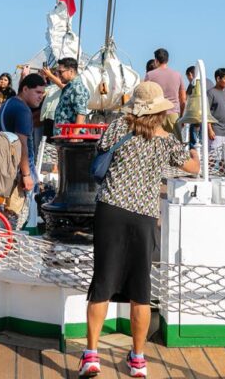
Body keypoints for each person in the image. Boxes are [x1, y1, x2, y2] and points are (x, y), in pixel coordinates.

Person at [80, 82, 200, 378]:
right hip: (143, 216)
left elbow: (100, 151)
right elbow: (193, 168)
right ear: (159, 110)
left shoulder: (118, 127)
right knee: (140, 290)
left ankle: (92, 355)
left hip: (110, 210)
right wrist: (194, 151)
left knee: (102, 284)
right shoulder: (167, 140)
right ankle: (137, 360)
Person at [0, 73, 47, 222]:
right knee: (18, 219)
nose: (40, 97)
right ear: (25, 89)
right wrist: (26, 175)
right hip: (17, 172)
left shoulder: (8, 103)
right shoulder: (23, 111)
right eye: (37, 92)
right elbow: (21, 144)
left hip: (2, 167)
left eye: (42, 93)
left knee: (2, 218)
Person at [144, 48, 185, 134]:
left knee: (155, 145)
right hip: (173, 114)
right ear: (168, 60)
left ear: (156, 60)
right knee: (175, 145)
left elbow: (145, 97)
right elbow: (183, 100)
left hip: (155, 115)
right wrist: (182, 117)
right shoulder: (177, 75)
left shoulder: (150, 75)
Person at [53, 57, 90, 134]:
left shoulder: (78, 88)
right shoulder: (69, 87)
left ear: (71, 71)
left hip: (71, 139)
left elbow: (81, 114)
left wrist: (74, 137)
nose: (58, 75)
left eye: (60, 72)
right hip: (64, 136)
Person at [207, 68, 225, 151]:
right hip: (216, 132)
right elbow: (207, 113)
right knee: (215, 159)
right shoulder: (210, 93)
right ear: (218, 79)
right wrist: (210, 130)